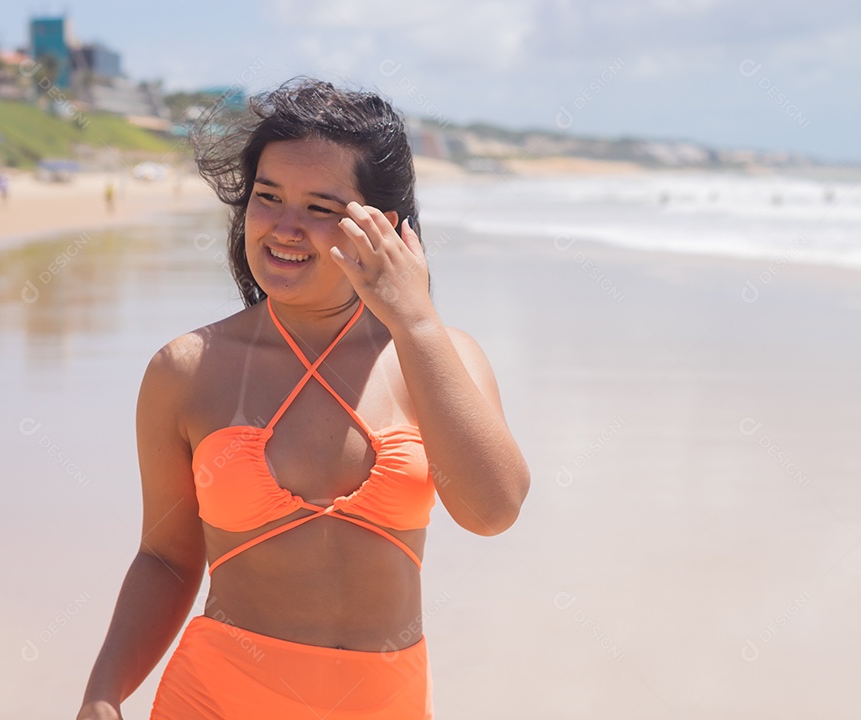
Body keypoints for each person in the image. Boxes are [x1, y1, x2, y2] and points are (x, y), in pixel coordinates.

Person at [75, 78, 530, 720]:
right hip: (213, 699)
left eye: (321, 206)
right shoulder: (187, 370)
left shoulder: (435, 357)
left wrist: (416, 322)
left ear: (383, 226)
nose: (285, 228)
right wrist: (103, 694)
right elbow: (166, 557)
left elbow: (493, 510)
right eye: (267, 197)